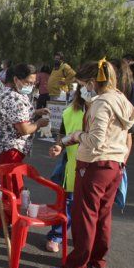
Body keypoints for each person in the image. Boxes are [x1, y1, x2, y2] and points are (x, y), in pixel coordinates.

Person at [49, 59, 134, 268]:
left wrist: (77, 136)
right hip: (115, 165)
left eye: (81, 84)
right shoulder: (121, 100)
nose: (81, 89)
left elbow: (96, 140)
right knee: (103, 215)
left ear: (91, 82)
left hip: (95, 164)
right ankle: (97, 259)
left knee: (84, 216)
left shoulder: (101, 104)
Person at [45, 88, 87, 252]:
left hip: (95, 165)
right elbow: (62, 135)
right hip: (72, 164)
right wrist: (58, 146)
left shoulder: (104, 108)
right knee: (68, 203)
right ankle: (56, 236)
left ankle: (85, 243)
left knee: (88, 208)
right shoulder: (70, 111)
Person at [0, 63, 50, 164]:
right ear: (16, 80)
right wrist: (39, 123)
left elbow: (14, 114)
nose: (31, 86)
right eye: (28, 83)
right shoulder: (15, 98)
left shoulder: (8, 91)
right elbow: (24, 129)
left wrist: (35, 111)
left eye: (33, 83)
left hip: (5, 147)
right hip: (10, 150)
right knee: (10, 178)